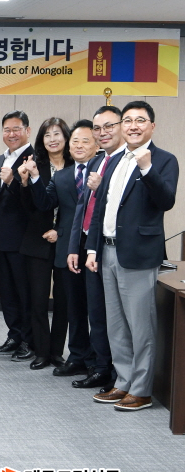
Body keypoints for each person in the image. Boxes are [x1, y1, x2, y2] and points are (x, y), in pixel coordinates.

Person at [86, 100, 179, 411]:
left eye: (140, 120)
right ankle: (123, 382)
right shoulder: (113, 161)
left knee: (141, 326)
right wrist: (92, 247)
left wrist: (147, 168)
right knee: (116, 325)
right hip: (108, 251)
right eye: (127, 120)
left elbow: (166, 201)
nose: (133, 126)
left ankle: (141, 390)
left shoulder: (164, 160)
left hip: (138, 255)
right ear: (121, 126)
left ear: (152, 126)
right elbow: (101, 208)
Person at [24, 120, 98, 372]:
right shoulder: (61, 175)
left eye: (84, 140)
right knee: (48, 302)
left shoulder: (101, 171)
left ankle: (83, 357)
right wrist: (34, 178)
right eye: (76, 141)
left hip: (88, 247)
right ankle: (50, 353)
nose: (79, 145)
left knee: (78, 306)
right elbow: (45, 203)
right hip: (54, 245)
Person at [66, 106, 125, 391]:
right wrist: (76, 246)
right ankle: (101, 368)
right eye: (98, 128)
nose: (103, 133)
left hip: (115, 249)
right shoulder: (97, 161)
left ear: (122, 126)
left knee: (115, 316)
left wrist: (101, 188)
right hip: (91, 247)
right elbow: (83, 208)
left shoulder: (125, 161)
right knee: (96, 313)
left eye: (109, 126)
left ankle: (117, 372)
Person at [15, 117, 72, 369]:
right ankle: (41, 351)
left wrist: (59, 231)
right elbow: (29, 208)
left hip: (66, 242)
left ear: (66, 137)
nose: (52, 139)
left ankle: (57, 352)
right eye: (47, 135)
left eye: (57, 134)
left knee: (63, 301)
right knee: (37, 301)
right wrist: (24, 182)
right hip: (36, 241)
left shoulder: (75, 165)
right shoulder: (34, 164)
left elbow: (78, 208)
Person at [0, 111, 35, 361]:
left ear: (27, 131)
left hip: (24, 238)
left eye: (16, 129)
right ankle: (14, 335)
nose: (11, 134)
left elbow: (33, 201)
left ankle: (29, 340)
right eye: (7, 129)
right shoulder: (1, 158)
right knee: (7, 292)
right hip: (2, 237)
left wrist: (12, 182)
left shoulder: (34, 159)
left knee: (24, 292)